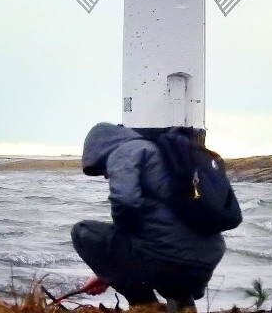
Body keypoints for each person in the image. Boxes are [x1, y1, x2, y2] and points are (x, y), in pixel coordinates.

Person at [71, 122, 226, 309]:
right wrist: (106, 272)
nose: (105, 175)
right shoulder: (164, 153)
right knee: (168, 245)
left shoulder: (125, 151)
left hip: (169, 258)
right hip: (205, 261)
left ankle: (145, 306)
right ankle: (184, 307)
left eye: (101, 168)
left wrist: (112, 268)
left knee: (83, 232)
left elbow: (125, 201)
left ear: (101, 148)